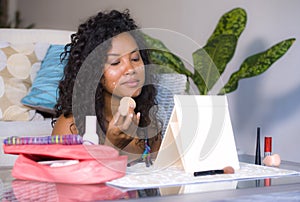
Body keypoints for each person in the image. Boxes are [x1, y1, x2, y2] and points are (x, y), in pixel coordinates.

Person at [51, 9, 162, 161]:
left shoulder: (148, 123)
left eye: (135, 58)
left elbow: (162, 175)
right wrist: (112, 145)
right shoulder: (70, 127)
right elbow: (71, 182)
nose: (131, 69)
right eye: (116, 62)